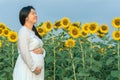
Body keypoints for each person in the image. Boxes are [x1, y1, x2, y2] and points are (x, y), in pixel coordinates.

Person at [13, 6, 46, 80]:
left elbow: (39, 49)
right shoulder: (23, 31)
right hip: (28, 70)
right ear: (26, 17)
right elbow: (24, 52)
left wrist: (42, 51)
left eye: (36, 13)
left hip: (37, 72)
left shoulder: (33, 32)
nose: (36, 15)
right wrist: (33, 68)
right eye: (33, 13)